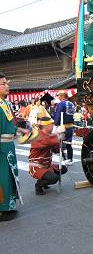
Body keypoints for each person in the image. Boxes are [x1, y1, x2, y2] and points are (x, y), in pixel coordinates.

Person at [0, 73, 23, 221]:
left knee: (9, 176)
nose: (8, 86)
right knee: (1, 178)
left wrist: (19, 130)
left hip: (9, 145)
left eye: (7, 83)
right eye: (3, 84)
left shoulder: (6, 103)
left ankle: (8, 205)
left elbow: (10, 124)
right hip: (1, 147)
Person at [29, 117, 68, 195]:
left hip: (47, 165)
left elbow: (56, 150)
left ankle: (45, 181)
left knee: (63, 169)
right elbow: (48, 140)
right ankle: (39, 185)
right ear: (47, 126)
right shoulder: (38, 135)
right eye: (52, 125)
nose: (53, 126)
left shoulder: (49, 136)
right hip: (37, 166)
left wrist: (60, 145)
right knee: (54, 178)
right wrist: (58, 136)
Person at [54, 90, 75, 166]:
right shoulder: (71, 104)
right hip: (70, 125)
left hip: (62, 126)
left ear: (62, 96)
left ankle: (65, 159)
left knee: (60, 143)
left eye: (59, 95)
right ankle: (70, 159)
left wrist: (56, 123)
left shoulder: (60, 104)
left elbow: (58, 115)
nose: (58, 97)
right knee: (69, 143)